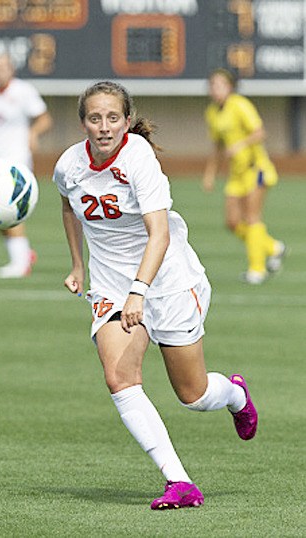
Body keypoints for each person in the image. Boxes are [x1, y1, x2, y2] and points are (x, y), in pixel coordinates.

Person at [52, 81, 258, 510]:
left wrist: (139, 293)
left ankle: (235, 394)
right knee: (119, 377)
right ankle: (179, 482)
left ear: (127, 121)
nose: (104, 127)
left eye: (112, 118)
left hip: (167, 280)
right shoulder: (70, 164)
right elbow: (68, 206)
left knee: (194, 394)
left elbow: (159, 234)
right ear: (83, 122)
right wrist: (78, 264)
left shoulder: (139, 159)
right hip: (111, 284)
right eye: (95, 118)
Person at [0, 53, 53, 278]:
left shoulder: (24, 91)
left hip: (16, 159)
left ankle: (20, 262)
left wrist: (33, 132)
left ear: (12, 69)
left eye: (4, 66)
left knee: (9, 206)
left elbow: (45, 119)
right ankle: (23, 253)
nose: (0, 70)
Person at [202, 68, 286, 285]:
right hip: (236, 174)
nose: (216, 89)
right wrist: (210, 174)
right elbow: (217, 146)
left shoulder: (240, 105)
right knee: (232, 222)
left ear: (230, 87)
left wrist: (240, 145)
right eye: (213, 85)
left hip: (256, 168)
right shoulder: (212, 112)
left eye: (220, 85)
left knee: (251, 218)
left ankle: (257, 269)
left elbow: (259, 132)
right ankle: (272, 248)